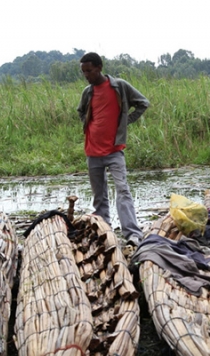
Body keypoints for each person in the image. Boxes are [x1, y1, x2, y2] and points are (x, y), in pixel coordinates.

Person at [77, 52, 149, 247]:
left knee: (122, 190)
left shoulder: (119, 86)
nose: (86, 75)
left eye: (89, 71)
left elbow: (143, 103)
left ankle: (132, 234)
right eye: (83, 72)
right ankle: (105, 231)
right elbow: (81, 111)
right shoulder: (88, 92)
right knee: (99, 196)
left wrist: (125, 121)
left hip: (114, 150)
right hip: (93, 151)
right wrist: (89, 125)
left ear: (99, 68)